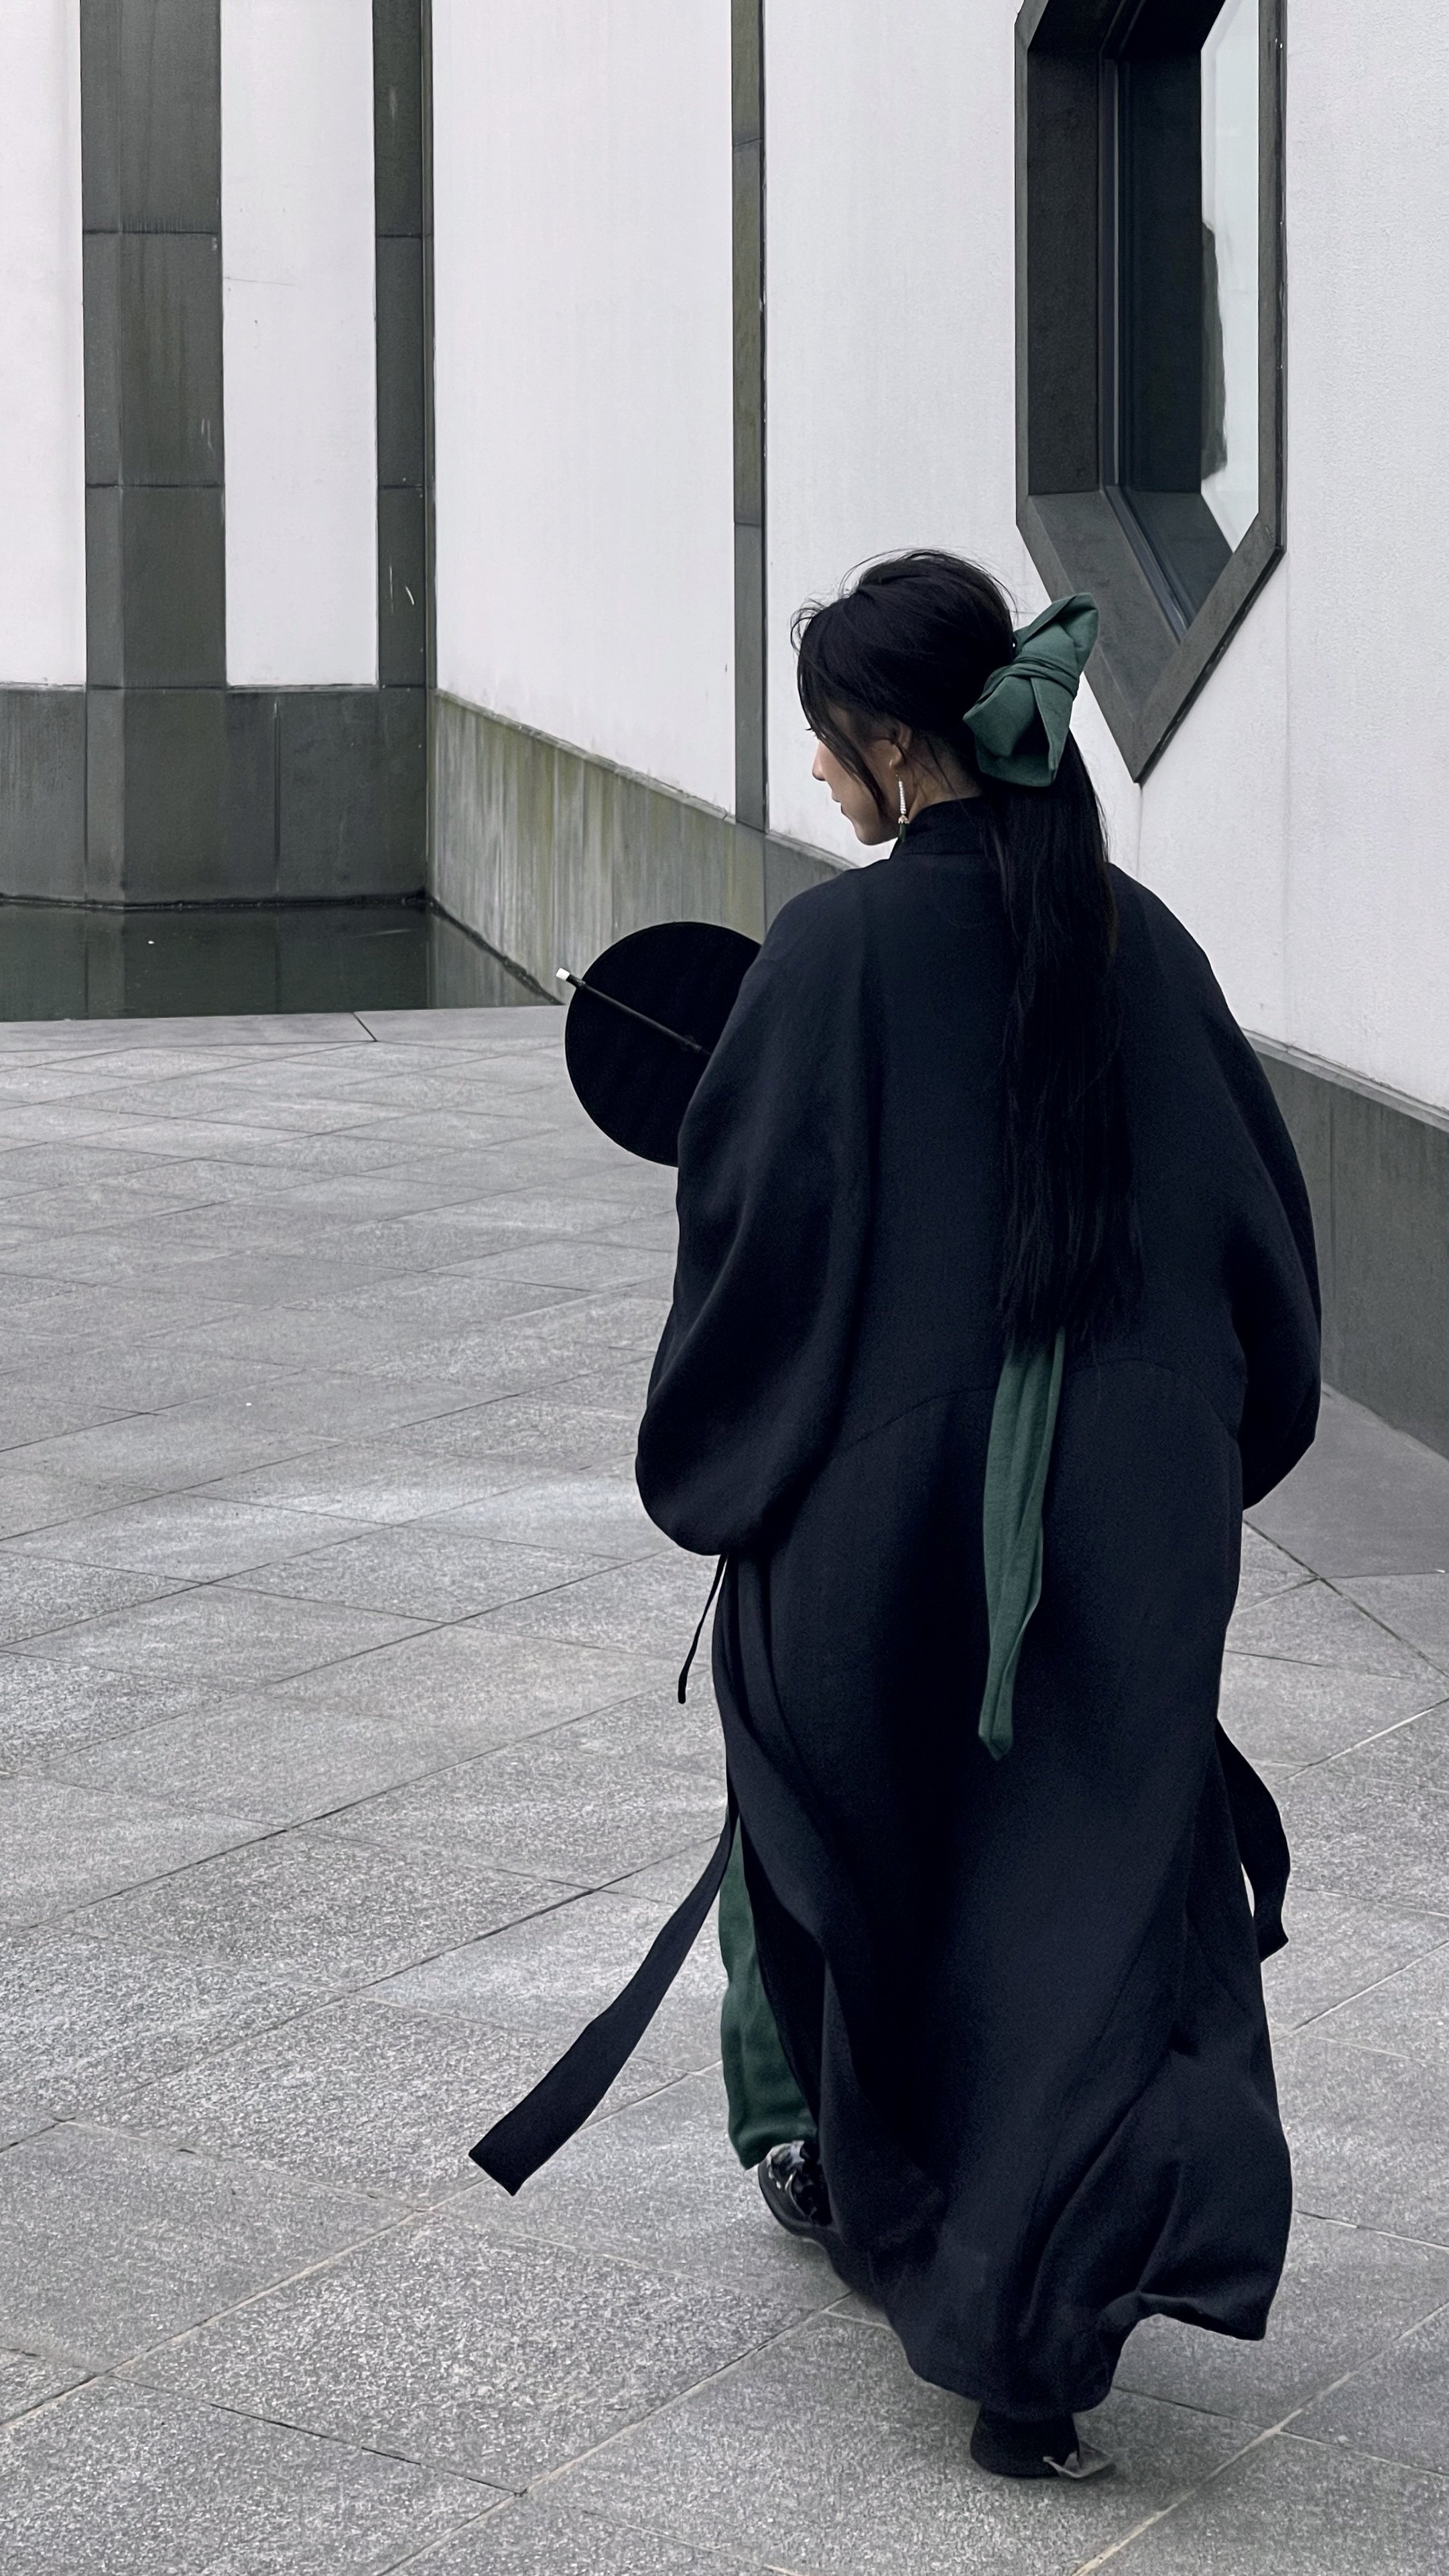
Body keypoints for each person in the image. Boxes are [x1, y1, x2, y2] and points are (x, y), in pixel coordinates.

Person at [633, 552, 1320, 2480]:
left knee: (851, 1820)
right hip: (1126, 1519)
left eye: (829, 748)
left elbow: (753, 1250)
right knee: (1081, 1878)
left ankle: (834, 2150)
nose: (822, 781)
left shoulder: (829, 954)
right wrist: (1180, 1472)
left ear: (881, 746)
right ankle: (1043, 2332)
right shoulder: (1141, 941)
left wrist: (742, 1462)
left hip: (888, 1516)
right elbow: (1261, 1256)